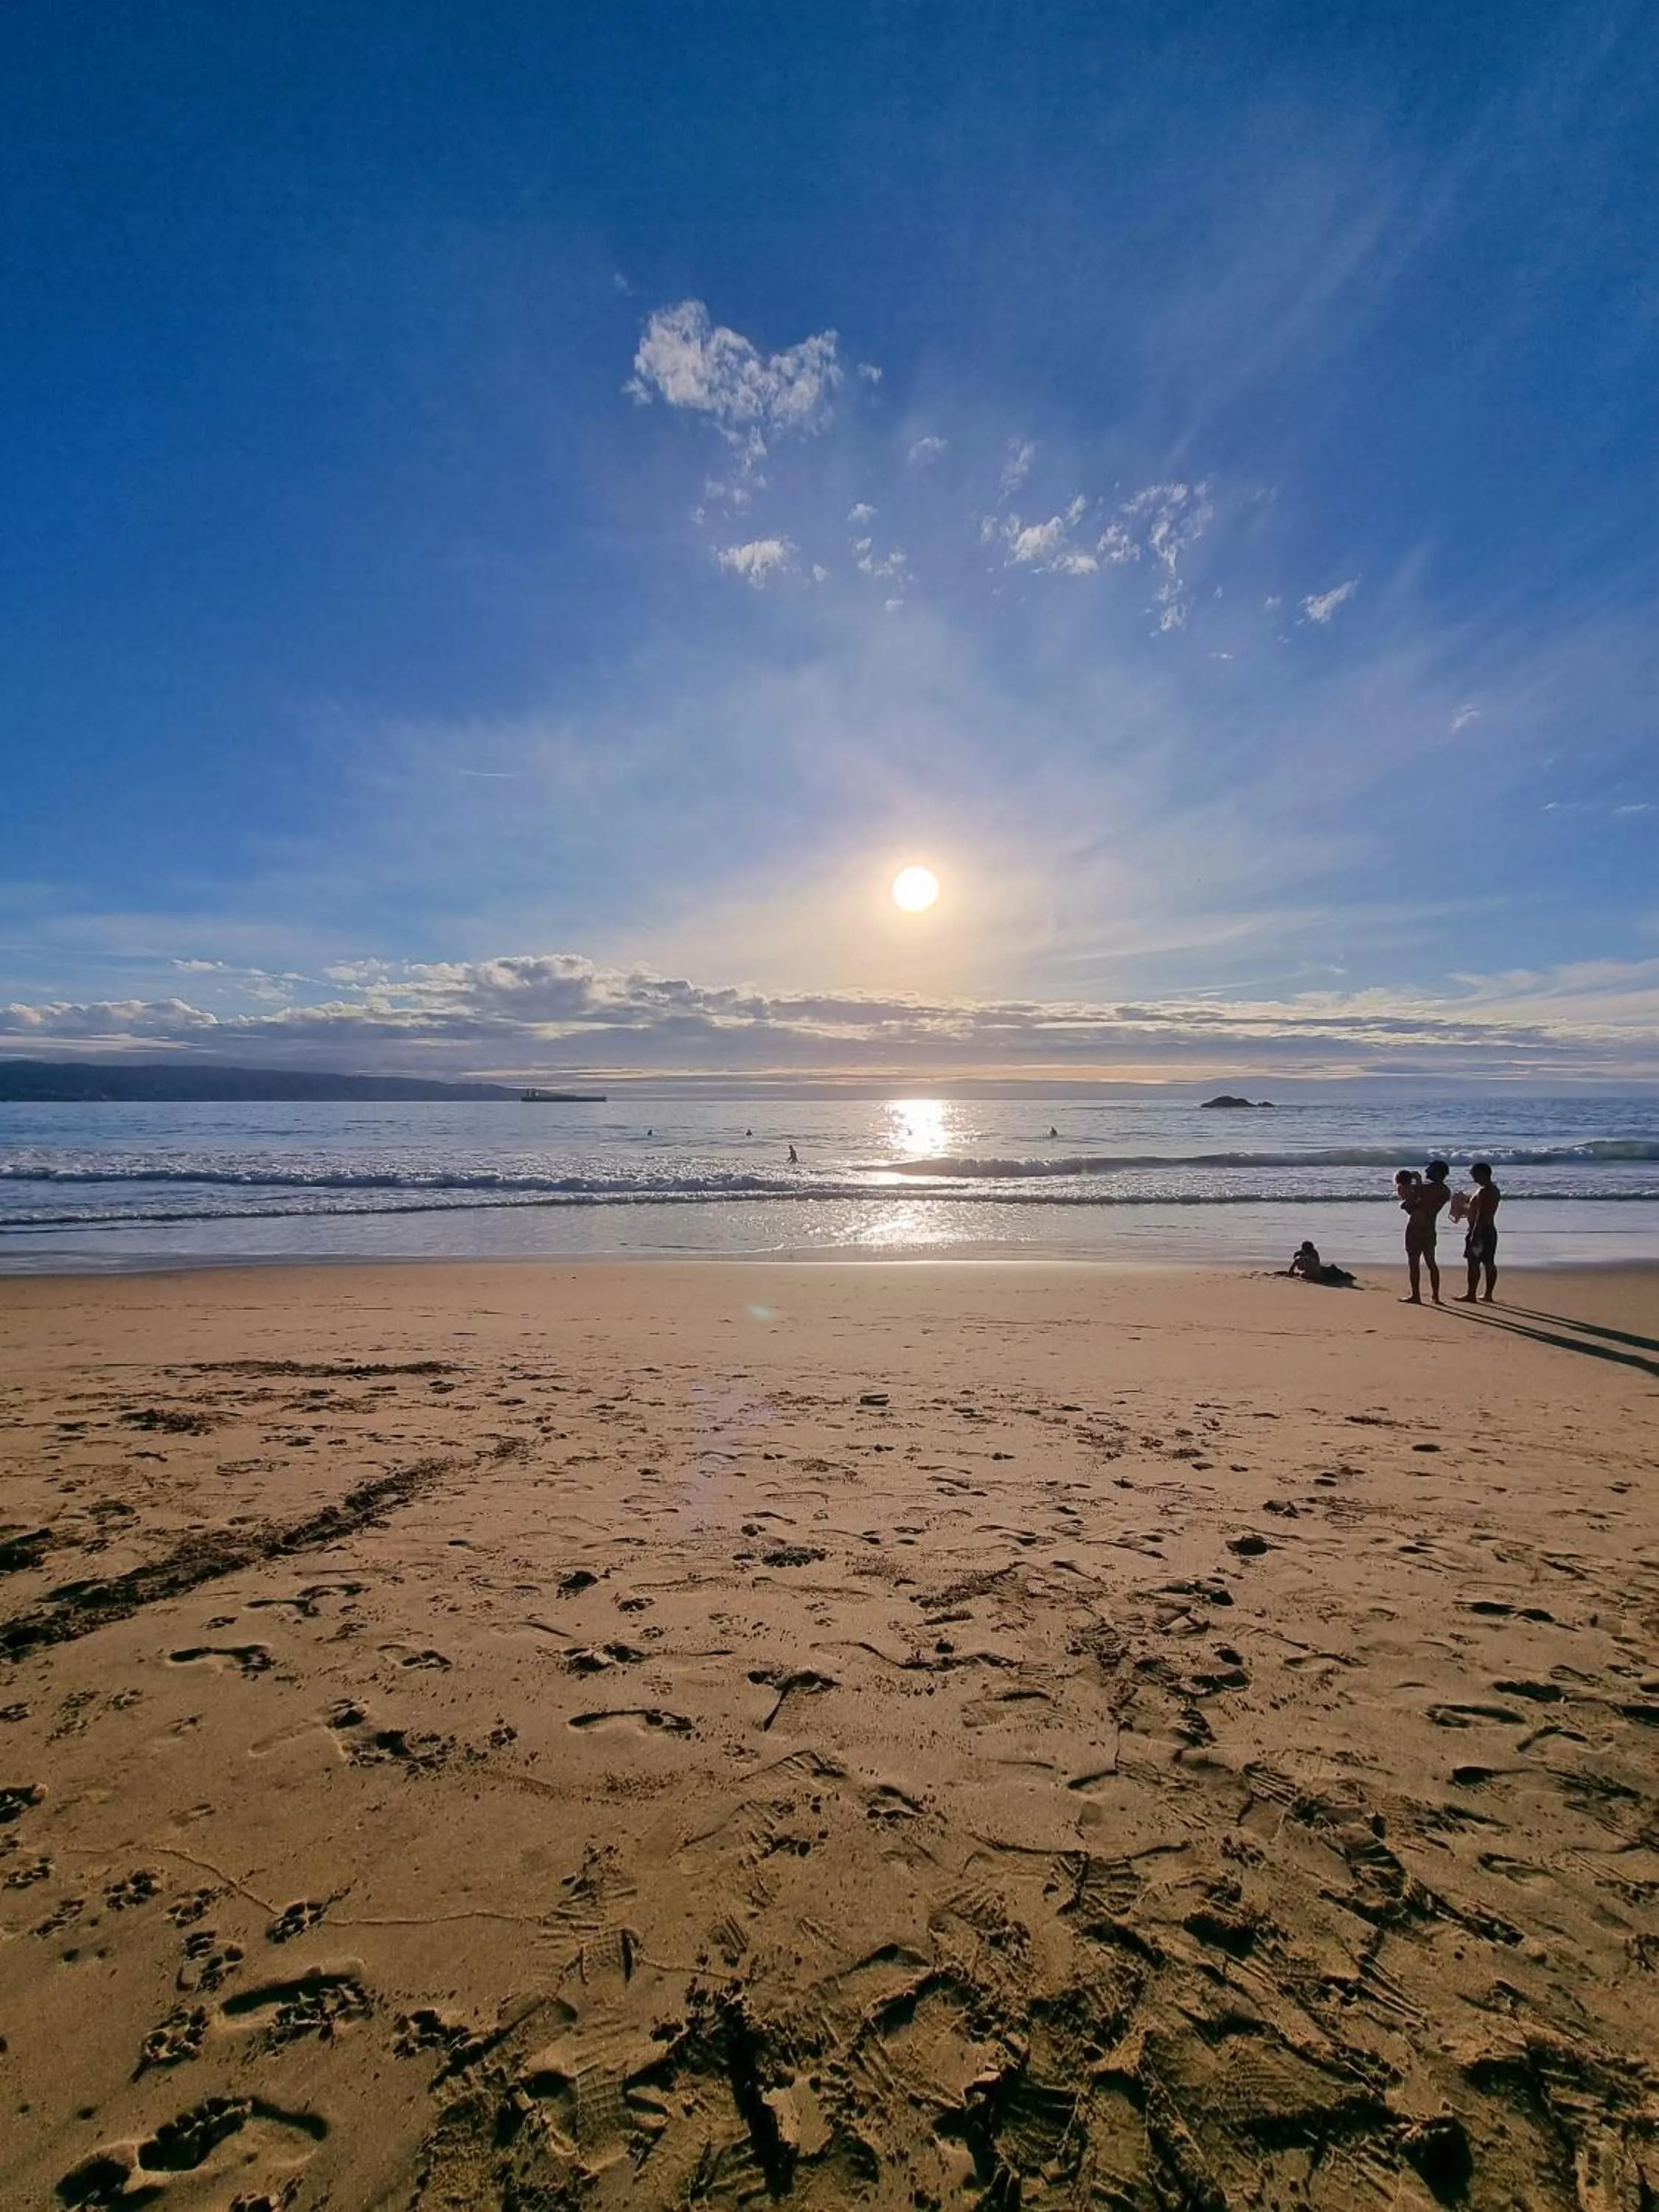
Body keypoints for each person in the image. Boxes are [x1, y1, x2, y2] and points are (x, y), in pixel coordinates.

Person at [1399, 1161, 1451, 1305]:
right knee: (1431, 1262)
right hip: (1429, 1227)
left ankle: (1416, 1295)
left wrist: (1417, 1183)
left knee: (1414, 1261)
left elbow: (1407, 1205)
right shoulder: (1446, 1191)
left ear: (1437, 1172)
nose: (1427, 1171)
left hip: (1415, 1227)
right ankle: (1436, 1296)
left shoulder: (1423, 1188)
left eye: (1430, 1169)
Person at [1457, 1161, 1501, 1303]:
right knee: (1489, 1262)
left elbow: (1481, 1215)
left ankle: (1471, 1294)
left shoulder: (1484, 1191)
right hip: (1489, 1230)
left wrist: (1475, 1233)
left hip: (1480, 1230)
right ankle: (1488, 1294)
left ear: (1482, 1174)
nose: (1472, 1175)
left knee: (1474, 1263)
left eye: (1473, 1173)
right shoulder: (1493, 1189)